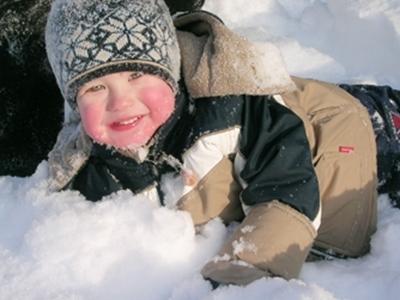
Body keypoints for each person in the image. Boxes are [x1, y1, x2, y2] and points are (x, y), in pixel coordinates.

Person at [45, 0, 399, 286]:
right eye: (95, 87)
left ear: (170, 69)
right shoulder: (92, 167)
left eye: (137, 74)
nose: (120, 102)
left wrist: (239, 277)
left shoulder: (229, 104)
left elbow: (286, 190)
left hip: (352, 134)